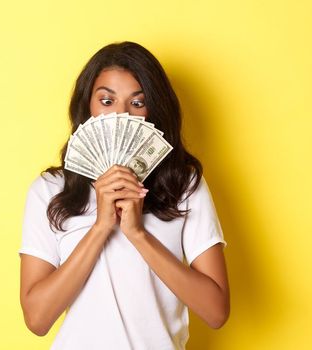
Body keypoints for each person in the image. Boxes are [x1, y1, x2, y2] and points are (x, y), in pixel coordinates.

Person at [18, 41, 230, 350]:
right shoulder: (50, 190)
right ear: (87, 107)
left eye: (137, 103)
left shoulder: (184, 185)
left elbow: (216, 312)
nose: (120, 115)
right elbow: (37, 319)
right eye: (106, 100)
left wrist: (137, 233)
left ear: (154, 111)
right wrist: (101, 226)